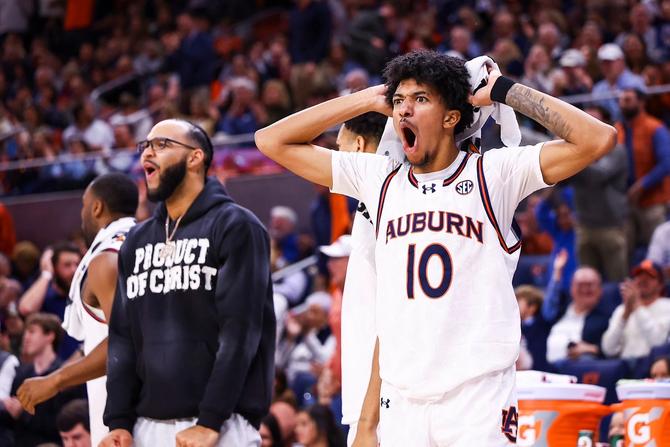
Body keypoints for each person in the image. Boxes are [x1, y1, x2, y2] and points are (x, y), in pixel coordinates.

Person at [255, 49, 616, 445]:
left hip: (476, 398)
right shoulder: (380, 179)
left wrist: (503, 90)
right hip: (401, 400)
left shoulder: (494, 174)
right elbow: (270, 140)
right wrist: (367, 98)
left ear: (451, 117)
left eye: (420, 99)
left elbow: (598, 138)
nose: (404, 111)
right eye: (399, 102)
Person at [101, 119, 276, 447]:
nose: (147, 154)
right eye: (145, 146)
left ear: (195, 157)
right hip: (145, 427)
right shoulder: (136, 240)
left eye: (161, 144)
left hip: (220, 426)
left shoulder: (236, 226)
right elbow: (123, 338)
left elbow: (240, 332)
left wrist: (211, 421)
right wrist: (118, 421)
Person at [17, 173, 139, 446]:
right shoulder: (146, 242)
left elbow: (128, 339)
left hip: (127, 418)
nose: (82, 213)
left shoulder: (108, 256)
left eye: (84, 205)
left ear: (96, 207)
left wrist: (55, 380)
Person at [331, 112, 387, 445]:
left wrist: (369, 421)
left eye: (340, 147)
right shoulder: (370, 204)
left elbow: (392, 320)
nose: (335, 157)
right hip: (371, 402)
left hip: (383, 408)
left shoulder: (388, 205)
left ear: (360, 146)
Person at [0, 313, 84, 446]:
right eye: (25, 332)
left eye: (32, 332)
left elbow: (64, 421)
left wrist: (22, 413)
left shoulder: (64, 376)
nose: (26, 337)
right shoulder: (21, 373)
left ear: (50, 336)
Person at [570, 106, 628, 282]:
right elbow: (557, 182)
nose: (589, 124)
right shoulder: (576, 151)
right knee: (586, 282)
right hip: (584, 226)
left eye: (594, 120)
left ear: (606, 124)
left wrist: (574, 154)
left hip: (610, 227)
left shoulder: (616, 150)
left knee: (617, 283)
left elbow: (600, 174)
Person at [616, 86, 670, 252]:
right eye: (621, 100)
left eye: (628, 100)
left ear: (641, 102)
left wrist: (642, 185)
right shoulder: (617, 129)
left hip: (652, 200)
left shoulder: (655, 128)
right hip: (625, 202)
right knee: (624, 249)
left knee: (659, 248)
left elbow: (667, 162)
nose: (623, 104)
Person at [18, 242, 82, 359]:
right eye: (67, 265)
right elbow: (26, 309)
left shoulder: (84, 294)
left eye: (77, 264)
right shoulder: (45, 295)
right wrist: (46, 273)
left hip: (81, 366)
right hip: (50, 370)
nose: (74, 270)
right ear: (54, 268)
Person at [602, 260, 670, 359]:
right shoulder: (622, 309)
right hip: (625, 367)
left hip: (653, 366)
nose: (643, 280)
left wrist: (637, 306)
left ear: (660, 285)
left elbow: (658, 343)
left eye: (650, 276)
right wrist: (625, 315)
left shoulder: (667, 306)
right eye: (638, 275)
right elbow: (608, 349)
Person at [544, 262, 611, 364]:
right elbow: (548, 308)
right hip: (544, 368)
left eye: (590, 285)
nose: (585, 289)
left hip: (578, 369)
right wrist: (557, 274)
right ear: (572, 288)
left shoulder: (606, 318)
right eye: (580, 284)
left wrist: (592, 349)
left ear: (600, 289)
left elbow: (613, 348)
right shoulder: (559, 310)